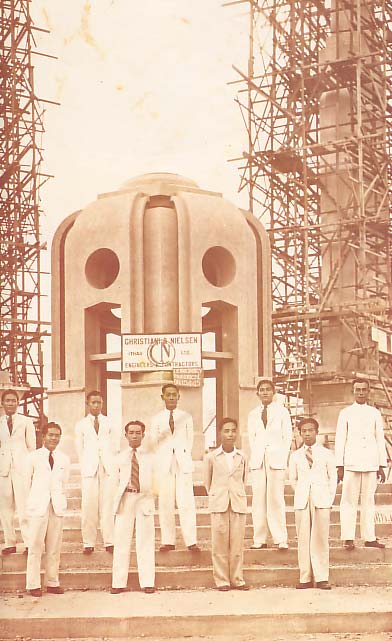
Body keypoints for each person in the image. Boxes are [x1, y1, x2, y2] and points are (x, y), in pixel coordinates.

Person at [335, 378, 388, 551]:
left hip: (371, 462)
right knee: (348, 501)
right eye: (357, 390)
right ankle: (348, 537)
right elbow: (340, 440)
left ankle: (369, 537)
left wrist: (381, 464)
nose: (360, 393)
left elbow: (380, 439)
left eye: (364, 390)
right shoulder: (345, 413)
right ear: (353, 391)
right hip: (351, 462)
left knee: (368, 501)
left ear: (368, 391)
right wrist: (340, 465)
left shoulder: (375, 413)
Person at [149, 384, 200, 552]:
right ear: (162, 397)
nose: (171, 397)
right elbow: (154, 443)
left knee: (186, 501)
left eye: (174, 395)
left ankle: (191, 541)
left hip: (182, 462)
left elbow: (189, 440)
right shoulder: (156, 419)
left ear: (179, 397)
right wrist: (163, 458)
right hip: (164, 464)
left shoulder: (186, 417)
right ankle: (168, 541)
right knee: (165, 502)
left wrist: (182, 454)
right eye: (168, 395)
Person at [289, 417, 337, 590]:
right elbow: (293, 479)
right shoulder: (295, 456)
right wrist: (302, 492)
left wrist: (328, 499)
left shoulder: (326, 454)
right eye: (304, 431)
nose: (307, 434)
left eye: (310, 430)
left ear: (316, 432)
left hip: (321, 500)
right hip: (302, 501)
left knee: (320, 539)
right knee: (303, 540)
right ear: (300, 433)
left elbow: (333, 479)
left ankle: (322, 577)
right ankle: (305, 577)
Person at [111, 420, 156, 594]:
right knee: (122, 541)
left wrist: (151, 495)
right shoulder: (120, 457)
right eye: (131, 432)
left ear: (143, 435)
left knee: (145, 541)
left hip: (144, 499)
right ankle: (118, 583)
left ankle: (147, 582)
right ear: (126, 435)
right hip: (126, 498)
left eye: (138, 432)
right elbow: (114, 482)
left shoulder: (151, 457)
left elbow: (157, 480)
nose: (135, 435)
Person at [203, 417, 249, 591]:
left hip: (237, 502)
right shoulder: (211, 457)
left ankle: (237, 578)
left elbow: (244, 479)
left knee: (237, 543)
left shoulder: (242, 456)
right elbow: (207, 482)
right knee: (219, 543)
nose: (230, 434)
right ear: (220, 433)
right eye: (226, 431)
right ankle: (222, 580)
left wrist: (236, 493)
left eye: (233, 431)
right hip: (219, 502)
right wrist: (217, 495)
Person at [25, 422, 70, 597]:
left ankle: (52, 582)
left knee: (54, 547)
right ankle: (33, 584)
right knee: (35, 546)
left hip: (56, 506)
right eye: (50, 435)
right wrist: (32, 503)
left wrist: (58, 500)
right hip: (37, 507)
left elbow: (63, 482)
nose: (54, 438)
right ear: (43, 437)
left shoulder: (64, 459)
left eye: (57, 435)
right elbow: (26, 483)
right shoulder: (33, 457)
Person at [247, 379, 292, 550]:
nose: (265, 392)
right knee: (258, 500)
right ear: (257, 393)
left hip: (276, 460)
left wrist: (280, 456)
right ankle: (259, 539)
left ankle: (280, 538)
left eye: (268, 390)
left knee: (275, 499)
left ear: (273, 392)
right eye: (262, 390)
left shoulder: (282, 412)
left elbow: (287, 437)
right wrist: (258, 454)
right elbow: (253, 438)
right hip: (259, 460)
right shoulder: (253, 414)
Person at [75, 390, 119, 554]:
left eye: (99, 402)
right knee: (89, 506)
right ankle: (88, 542)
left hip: (107, 467)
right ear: (87, 404)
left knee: (108, 505)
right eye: (93, 402)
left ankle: (110, 541)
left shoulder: (109, 423)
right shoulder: (81, 425)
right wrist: (86, 465)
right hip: (90, 468)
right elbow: (80, 449)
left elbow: (115, 446)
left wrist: (112, 465)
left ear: (102, 404)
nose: (96, 405)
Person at [0, 388, 36, 555]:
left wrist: (31, 469)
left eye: (13, 400)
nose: (10, 403)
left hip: (22, 469)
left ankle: (29, 543)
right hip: (4, 469)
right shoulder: (0, 422)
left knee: (24, 506)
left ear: (18, 402)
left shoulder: (26, 422)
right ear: (2, 403)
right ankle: (10, 542)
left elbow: (31, 447)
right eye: (7, 400)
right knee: (5, 508)